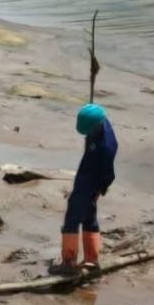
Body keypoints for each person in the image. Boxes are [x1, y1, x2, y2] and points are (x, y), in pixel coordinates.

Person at [58, 103, 118, 271]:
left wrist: (100, 191)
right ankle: (92, 259)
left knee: (72, 219)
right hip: (87, 176)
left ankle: (68, 262)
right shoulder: (102, 123)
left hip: (90, 183)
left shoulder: (106, 147)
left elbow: (109, 174)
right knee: (89, 219)